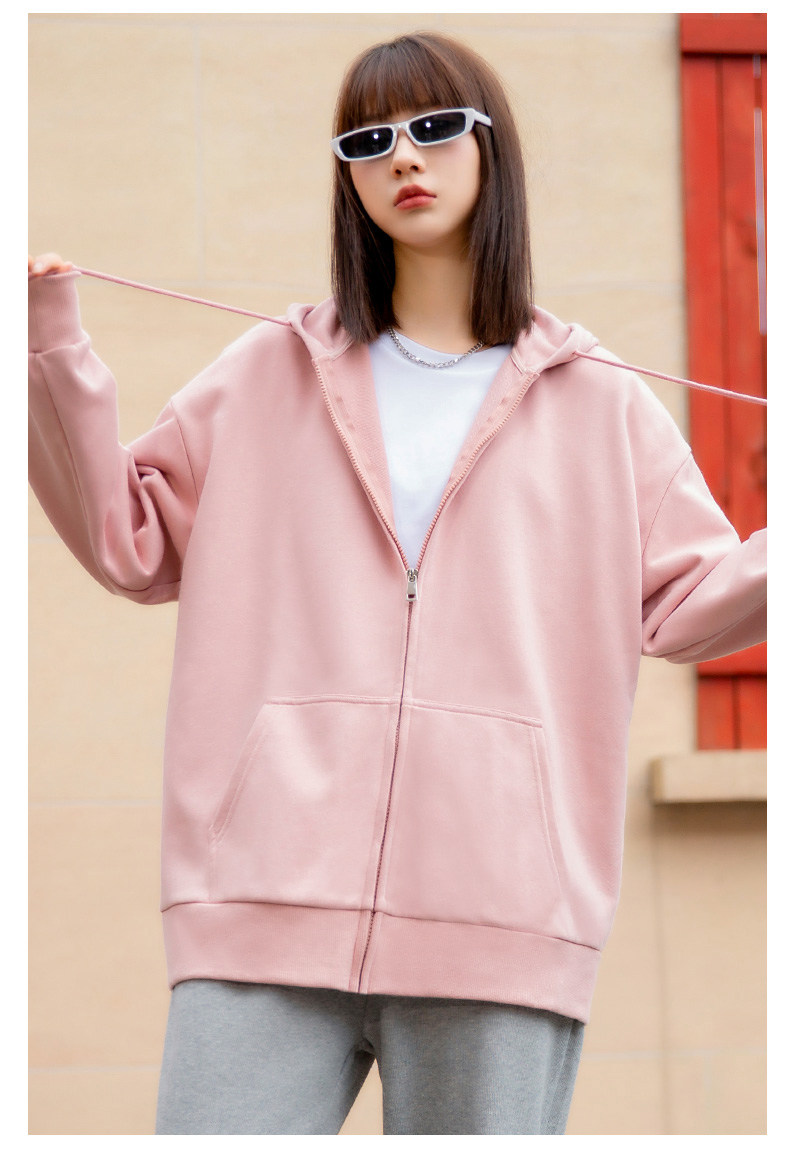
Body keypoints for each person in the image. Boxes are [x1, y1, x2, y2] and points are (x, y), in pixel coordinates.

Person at [28, 31, 766, 1136]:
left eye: (433, 126)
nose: (403, 157)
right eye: (367, 140)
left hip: (504, 911)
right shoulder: (270, 370)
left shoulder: (600, 401)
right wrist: (47, 348)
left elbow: (692, 601)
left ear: (489, 147)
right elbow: (127, 539)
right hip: (260, 904)